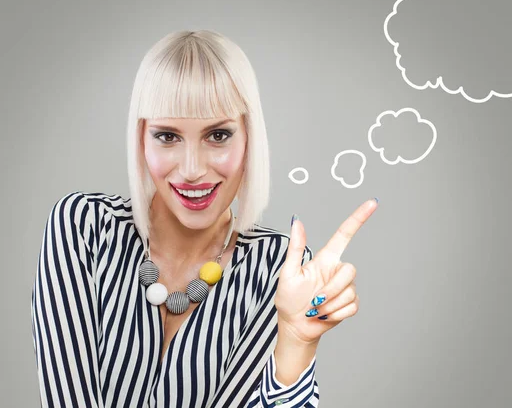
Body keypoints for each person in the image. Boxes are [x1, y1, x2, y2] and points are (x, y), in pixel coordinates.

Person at [31, 30, 378, 407]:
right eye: (167, 136)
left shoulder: (279, 269)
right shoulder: (84, 227)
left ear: (250, 138)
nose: (192, 169)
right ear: (141, 139)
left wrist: (296, 343)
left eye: (217, 135)